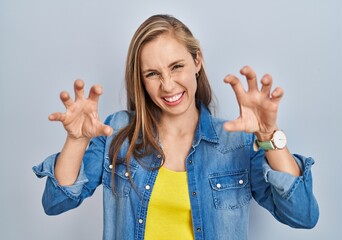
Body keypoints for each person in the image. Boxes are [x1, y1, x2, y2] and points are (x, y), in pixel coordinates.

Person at [33, 14, 319, 240]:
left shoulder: (237, 142)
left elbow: (302, 215)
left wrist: (269, 136)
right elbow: (56, 202)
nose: (168, 85)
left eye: (177, 66)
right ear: (141, 80)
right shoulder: (118, 131)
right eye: (153, 73)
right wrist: (76, 140)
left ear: (197, 61)